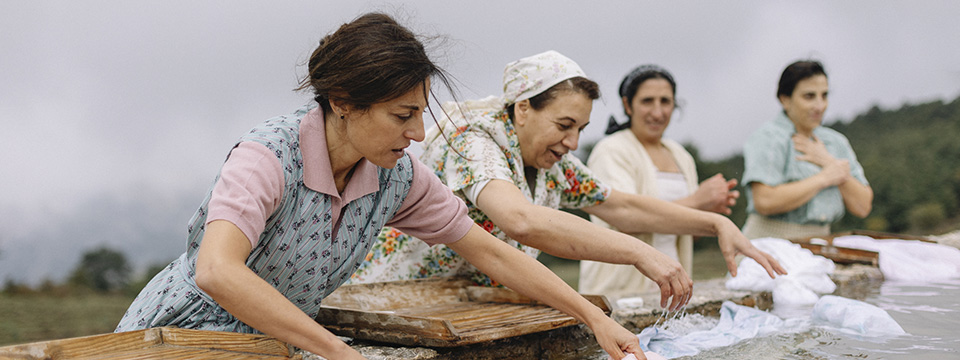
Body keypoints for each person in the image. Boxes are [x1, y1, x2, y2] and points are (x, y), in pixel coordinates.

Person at [115, 14, 646, 360]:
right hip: (175, 340)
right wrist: (340, 353)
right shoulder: (268, 157)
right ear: (344, 101)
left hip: (271, 346)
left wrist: (592, 316)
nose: (417, 134)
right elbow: (217, 269)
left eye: (420, 114)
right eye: (402, 115)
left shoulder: (396, 176)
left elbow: (492, 253)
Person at [352, 51, 785, 306]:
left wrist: (716, 224)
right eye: (564, 125)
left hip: (469, 306)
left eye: (580, 128)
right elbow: (520, 219)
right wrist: (638, 253)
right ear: (523, 109)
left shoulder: (552, 162)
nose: (573, 141)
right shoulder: (473, 140)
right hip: (395, 298)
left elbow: (622, 206)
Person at [578, 65, 741, 297]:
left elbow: (679, 233)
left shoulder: (680, 155)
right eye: (647, 101)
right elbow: (626, 219)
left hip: (671, 290)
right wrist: (696, 202)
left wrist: (707, 213)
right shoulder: (611, 150)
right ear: (627, 105)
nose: (657, 112)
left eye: (665, 102)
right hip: (620, 292)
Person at [741, 60, 873, 240]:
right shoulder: (768, 138)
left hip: (821, 244)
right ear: (785, 100)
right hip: (768, 243)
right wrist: (825, 177)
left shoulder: (836, 142)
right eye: (809, 96)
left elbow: (863, 206)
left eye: (824, 95)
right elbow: (764, 201)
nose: (819, 106)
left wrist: (828, 161)